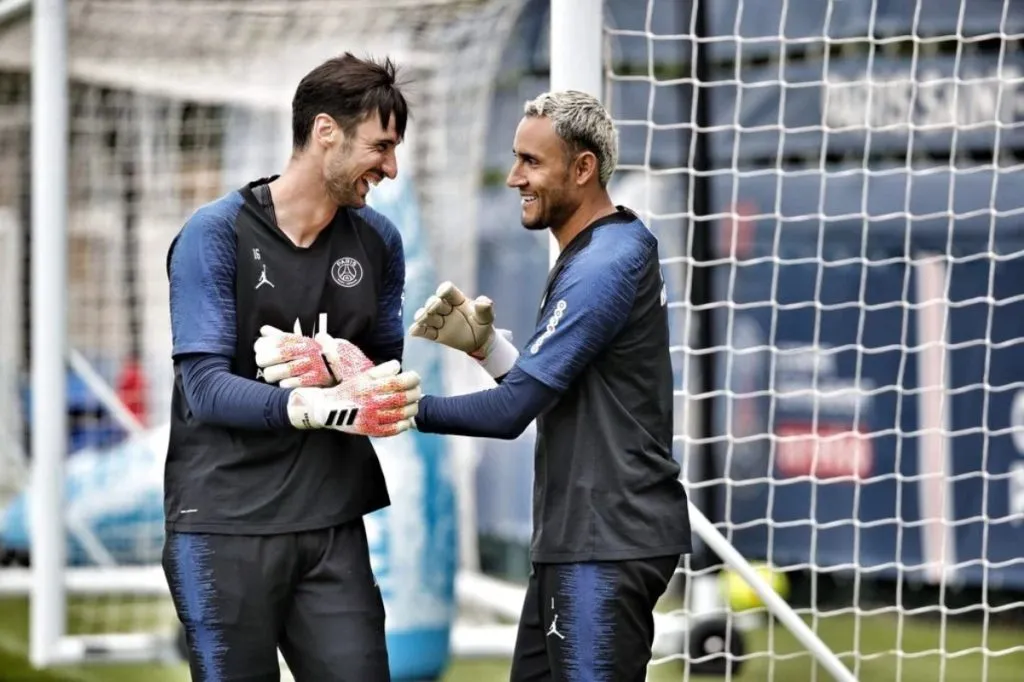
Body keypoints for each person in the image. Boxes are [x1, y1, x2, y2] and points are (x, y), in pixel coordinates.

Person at [408, 90, 692, 681]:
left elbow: (513, 412)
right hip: (579, 541)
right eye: (515, 159)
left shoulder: (603, 263)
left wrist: (397, 404)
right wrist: (487, 350)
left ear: (583, 168)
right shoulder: (599, 251)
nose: (514, 178)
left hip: (605, 540)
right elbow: (556, 396)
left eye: (531, 162)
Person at [163, 53, 421, 682]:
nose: (390, 168)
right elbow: (204, 389)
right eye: (381, 146)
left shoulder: (380, 242)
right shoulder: (214, 234)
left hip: (331, 523)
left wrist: (346, 367)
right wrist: (314, 404)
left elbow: (383, 372)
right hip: (224, 527)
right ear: (326, 131)